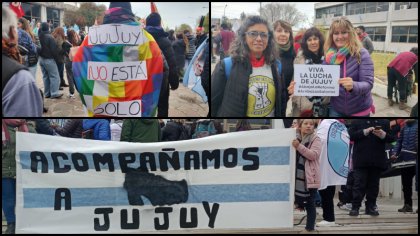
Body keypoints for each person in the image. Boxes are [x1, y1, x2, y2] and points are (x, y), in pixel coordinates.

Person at [211, 15, 287, 117]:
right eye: (253, 34)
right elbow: (213, 104)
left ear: (269, 39)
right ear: (244, 37)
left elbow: (280, 101)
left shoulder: (276, 66)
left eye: (264, 35)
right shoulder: (226, 66)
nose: (259, 39)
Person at [324, 17, 374, 117]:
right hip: (336, 109)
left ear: (350, 33)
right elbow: (321, 80)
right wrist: (302, 86)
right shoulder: (328, 55)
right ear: (331, 36)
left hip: (359, 111)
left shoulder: (362, 53)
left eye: (344, 32)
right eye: (336, 33)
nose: (340, 36)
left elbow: (368, 83)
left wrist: (353, 86)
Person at [348, 119, 394, 216]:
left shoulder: (384, 122)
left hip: (377, 159)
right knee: (359, 184)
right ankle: (355, 206)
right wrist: (364, 132)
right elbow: (350, 136)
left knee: (373, 185)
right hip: (361, 159)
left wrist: (383, 135)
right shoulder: (357, 121)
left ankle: (371, 206)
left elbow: (392, 138)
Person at [2, 6, 43, 117]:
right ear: (11, 32)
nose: (18, 30)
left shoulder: (31, 34)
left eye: (19, 25)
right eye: (16, 26)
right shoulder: (18, 78)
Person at [2, 119, 35, 234]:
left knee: (25, 199)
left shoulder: (28, 127)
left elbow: (36, 146)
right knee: (8, 199)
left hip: (24, 171)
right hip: (5, 170)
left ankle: (26, 223)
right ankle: (11, 223)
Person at [288, 27, 329, 117]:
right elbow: (294, 82)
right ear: (305, 43)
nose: (313, 42)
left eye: (315, 39)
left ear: (320, 40)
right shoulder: (299, 59)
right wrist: (298, 100)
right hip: (302, 108)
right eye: (309, 40)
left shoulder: (328, 58)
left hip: (323, 107)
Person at [316, 119, 350, 227]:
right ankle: (329, 217)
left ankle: (329, 218)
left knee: (325, 192)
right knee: (328, 192)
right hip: (333, 165)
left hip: (325, 165)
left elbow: (320, 140)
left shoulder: (325, 125)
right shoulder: (339, 126)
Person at [145, 12, 179, 117]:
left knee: (144, 107)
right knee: (163, 107)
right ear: (159, 24)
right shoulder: (165, 41)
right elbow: (172, 64)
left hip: (144, 82)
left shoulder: (141, 40)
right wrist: (174, 83)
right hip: (162, 82)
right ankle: (160, 125)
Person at [292, 119, 321, 233]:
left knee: (310, 203)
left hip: (310, 177)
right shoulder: (295, 137)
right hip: (295, 177)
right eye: (306, 123)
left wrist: (298, 146)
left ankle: (309, 228)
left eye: (311, 124)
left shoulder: (316, 139)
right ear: (300, 126)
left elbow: (313, 155)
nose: (309, 126)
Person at [390, 119, 418, 213]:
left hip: (416, 159)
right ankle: (408, 205)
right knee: (406, 184)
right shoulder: (404, 127)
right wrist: (395, 153)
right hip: (405, 160)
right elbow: (399, 141)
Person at [39, 22, 63, 99]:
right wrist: (57, 59)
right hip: (49, 59)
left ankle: (47, 93)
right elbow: (54, 50)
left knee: (45, 76)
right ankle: (54, 93)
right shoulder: (50, 37)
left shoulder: (39, 36)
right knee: (55, 76)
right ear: (48, 28)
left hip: (41, 59)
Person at [273, 20, 295, 100]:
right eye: (279, 31)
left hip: (284, 100)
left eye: (286, 31)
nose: (283, 34)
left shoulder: (293, 54)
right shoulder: (266, 53)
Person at [62, 29, 80, 98]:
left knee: (70, 77)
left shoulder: (65, 43)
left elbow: (63, 52)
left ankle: (71, 92)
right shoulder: (77, 42)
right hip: (77, 61)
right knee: (76, 76)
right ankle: (80, 90)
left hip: (69, 61)